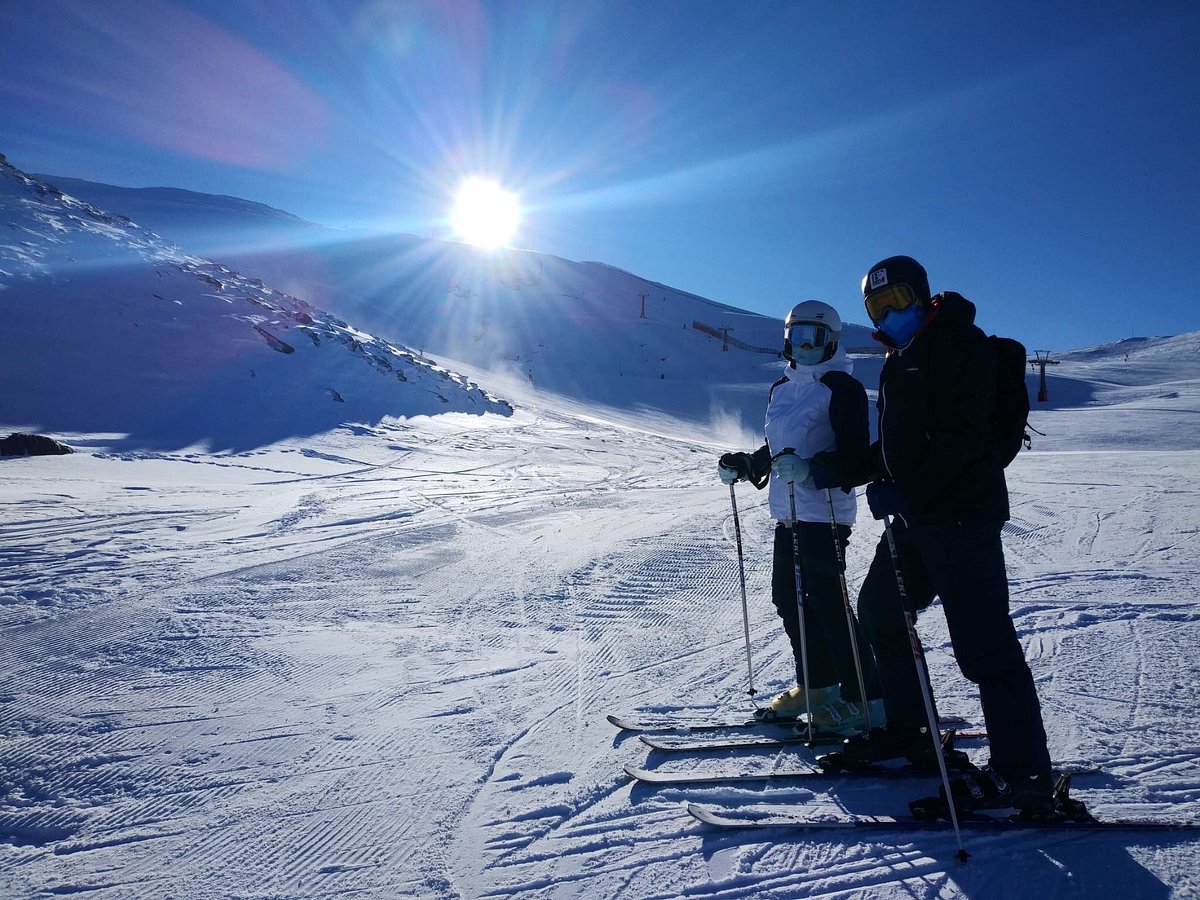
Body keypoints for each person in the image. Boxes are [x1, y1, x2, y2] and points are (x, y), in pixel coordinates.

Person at [810, 255, 1055, 813]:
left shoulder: (958, 346)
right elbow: (900, 448)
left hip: (963, 519)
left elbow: (962, 439)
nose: (887, 314)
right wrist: (846, 470)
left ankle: (1024, 778)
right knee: (879, 612)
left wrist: (909, 491)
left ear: (922, 296)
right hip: (918, 520)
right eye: (876, 307)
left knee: (983, 644)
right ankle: (909, 730)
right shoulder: (905, 357)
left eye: (896, 301)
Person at [718, 300, 884, 733]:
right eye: (798, 337)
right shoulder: (781, 388)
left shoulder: (841, 389)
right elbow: (776, 450)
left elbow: (854, 459)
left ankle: (866, 698)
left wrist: (813, 470)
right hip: (787, 514)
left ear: (832, 342)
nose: (806, 346)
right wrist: (747, 465)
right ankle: (817, 686)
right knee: (788, 600)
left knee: (829, 605)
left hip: (825, 515)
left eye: (817, 338)